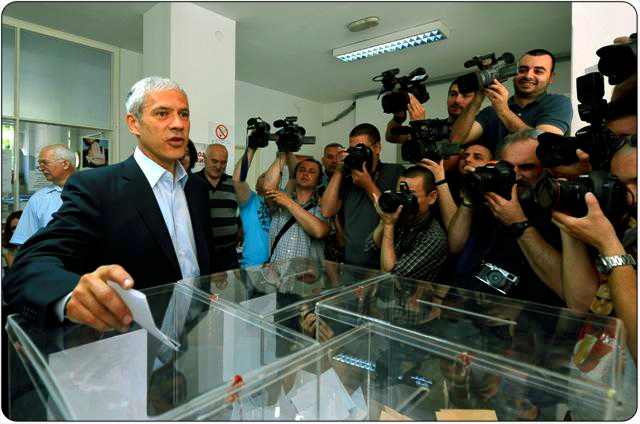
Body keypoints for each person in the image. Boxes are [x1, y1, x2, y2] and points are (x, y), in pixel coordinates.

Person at [2, 76, 214, 330]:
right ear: (134, 123)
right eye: (162, 113)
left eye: (184, 114)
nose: (178, 124)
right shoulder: (96, 187)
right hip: (127, 338)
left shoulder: (196, 188)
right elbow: (31, 264)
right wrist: (72, 295)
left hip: (188, 332)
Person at [448, 129, 564, 306]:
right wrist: (470, 197)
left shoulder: (555, 209)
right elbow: (456, 246)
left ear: (545, 170)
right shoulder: (494, 195)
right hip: (470, 303)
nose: (515, 176)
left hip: (525, 313)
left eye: (526, 167)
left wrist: (518, 222)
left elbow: (563, 284)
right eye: (507, 167)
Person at [451, 49, 572, 151]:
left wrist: (503, 111)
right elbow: (456, 140)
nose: (528, 75)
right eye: (522, 70)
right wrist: (477, 99)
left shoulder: (559, 103)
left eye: (538, 71)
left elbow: (548, 144)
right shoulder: (490, 112)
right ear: (514, 73)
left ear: (551, 78)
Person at [321, 123, 404, 268]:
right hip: (351, 264)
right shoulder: (347, 177)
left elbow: (393, 214)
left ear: (377, 148)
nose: (357, 154)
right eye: (353, 149)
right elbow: (327, 211)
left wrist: (367, 184)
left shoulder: (395, 172)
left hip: (382, 266)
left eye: (361, 148)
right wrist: (339, 170)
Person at [365, 166, 447, 282]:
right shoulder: (399, 218)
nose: (403, 200)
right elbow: (370, 250)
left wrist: (388, 225)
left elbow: (391, 276)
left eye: (410, 195)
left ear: (432, 197)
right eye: (400, 193)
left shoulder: (434, 237)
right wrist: (384, 218)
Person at [232, 145, 296, 267]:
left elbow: (294, 177)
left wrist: (288, 149)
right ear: (256, 185)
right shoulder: (250, 200)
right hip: (253, 266)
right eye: (263, 176)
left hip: (278, 265)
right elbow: (237, 180)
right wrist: (252, 148)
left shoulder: (282, 199)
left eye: (271, 174)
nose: (268, 176)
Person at [10, 144, 77, 246]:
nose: (41, 168)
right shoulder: (38, 199)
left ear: (65, 164)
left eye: (45, 163)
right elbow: (24, 241)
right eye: (40, 165)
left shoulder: (92, 191)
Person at [266, 157, 330, 262]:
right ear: (295, 176)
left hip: (308, 271)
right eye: (301, 170)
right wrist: (283, 155)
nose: (305, 173)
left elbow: (319, 232)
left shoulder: (323, 206)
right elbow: (268, 188)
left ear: (319, 180)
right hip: (277, 270)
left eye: (311, 171)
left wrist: (289, 203)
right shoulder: (280, 199)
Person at [194, 143, 240, 271]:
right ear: (204, 158)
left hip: (229, 255)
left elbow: (247, 207)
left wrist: (241, 226)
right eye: (214, 161)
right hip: (201, 255)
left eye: (223, 162)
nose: (219, 166)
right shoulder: (193, 182)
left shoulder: (234, 183)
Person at [319, 142, 346, 262]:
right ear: (323, 160)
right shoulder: (315, 181)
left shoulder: (350, 182)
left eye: (338, 157)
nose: (334, 161)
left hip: (343, 237)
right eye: (330, 157)